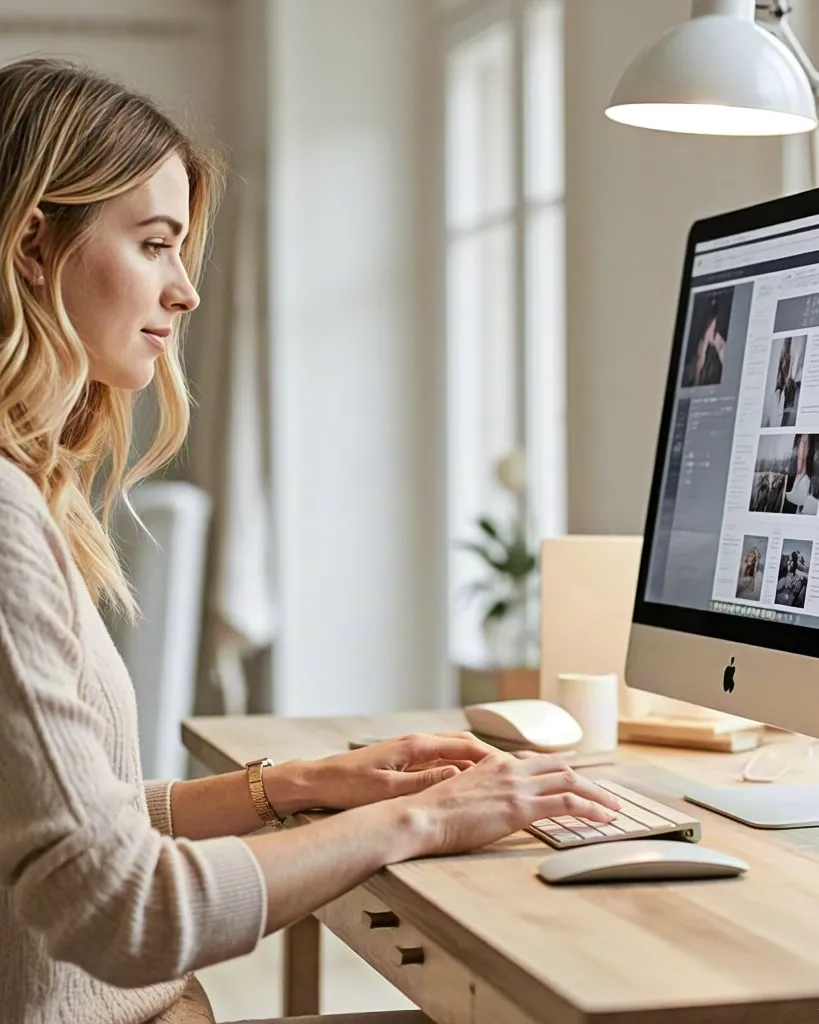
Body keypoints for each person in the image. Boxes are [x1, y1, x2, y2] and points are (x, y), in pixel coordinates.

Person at [0, 58, 620, 1024]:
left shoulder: (26, 494)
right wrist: (416, 819)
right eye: (157, 244)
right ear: (34, 246)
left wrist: (295, 785)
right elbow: (117, 909)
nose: (185, 292)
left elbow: (66, 834)